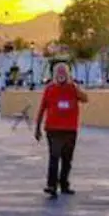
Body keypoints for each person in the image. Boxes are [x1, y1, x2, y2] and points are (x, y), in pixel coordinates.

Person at [34, 62, 88, 198]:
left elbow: (85, 99)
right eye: (59, 72)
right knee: (54, 156)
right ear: (54, 74)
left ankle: (64, 184)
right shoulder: (49, 89)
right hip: (53, 129)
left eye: (64, 72)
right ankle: (51, 185)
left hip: (70, 129)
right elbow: (42, 108)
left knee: (67, 159)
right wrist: (37, 128)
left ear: (68, 74)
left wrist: (76, 88)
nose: (61, 75)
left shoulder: (73, 88)